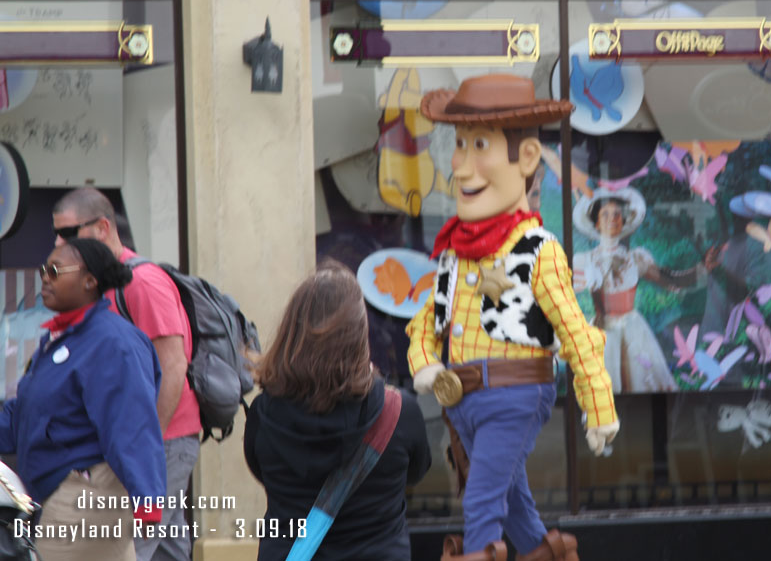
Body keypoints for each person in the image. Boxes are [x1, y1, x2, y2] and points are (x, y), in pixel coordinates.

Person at [408, 73, 619, 561]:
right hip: (461, 399)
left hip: (513, 396)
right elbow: (426, 320)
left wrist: (598, 403)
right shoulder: (454, 254)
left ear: (525, 160)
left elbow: (574, 330)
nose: (461, 166)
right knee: (518, 509)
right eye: (459, 145)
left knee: (481, 502)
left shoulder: (538, 249)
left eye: (479, 145)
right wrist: (425, 362)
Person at [244, 261, 430, 561]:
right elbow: (417, 472)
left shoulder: (263, 415)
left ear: (292, 331)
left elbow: (259, 471)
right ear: (360, 336)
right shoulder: (399, 413)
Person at [52, 188, 199, 561]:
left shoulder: (142, 282)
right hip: (141, 441)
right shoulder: (102, 286)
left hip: (160, 440)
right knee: (164, 547)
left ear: (103, 227)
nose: (58, 243)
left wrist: (143, 445)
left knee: (128, 546)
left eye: (69, 233)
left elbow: (174, 364)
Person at [0, 237, 166, 561]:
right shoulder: (59, 339)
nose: (45, 277)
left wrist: (148, 501)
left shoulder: (113, 342)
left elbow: (132, 425)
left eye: (55, 270)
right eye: (43, 270)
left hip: (87, 496)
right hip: (51, 495)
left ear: (90, 281)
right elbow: (24, 415)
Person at [571, 187, 695, 393]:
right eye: (606, 214)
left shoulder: (635, 258)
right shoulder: (585, 260)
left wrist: (702, 269)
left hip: (633, 329)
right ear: (596, 223)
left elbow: (671, 282)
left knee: (638, 381)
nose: (613, 219)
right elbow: (567, 289)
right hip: (603, 330)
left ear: (624, 220)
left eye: (617, 214)